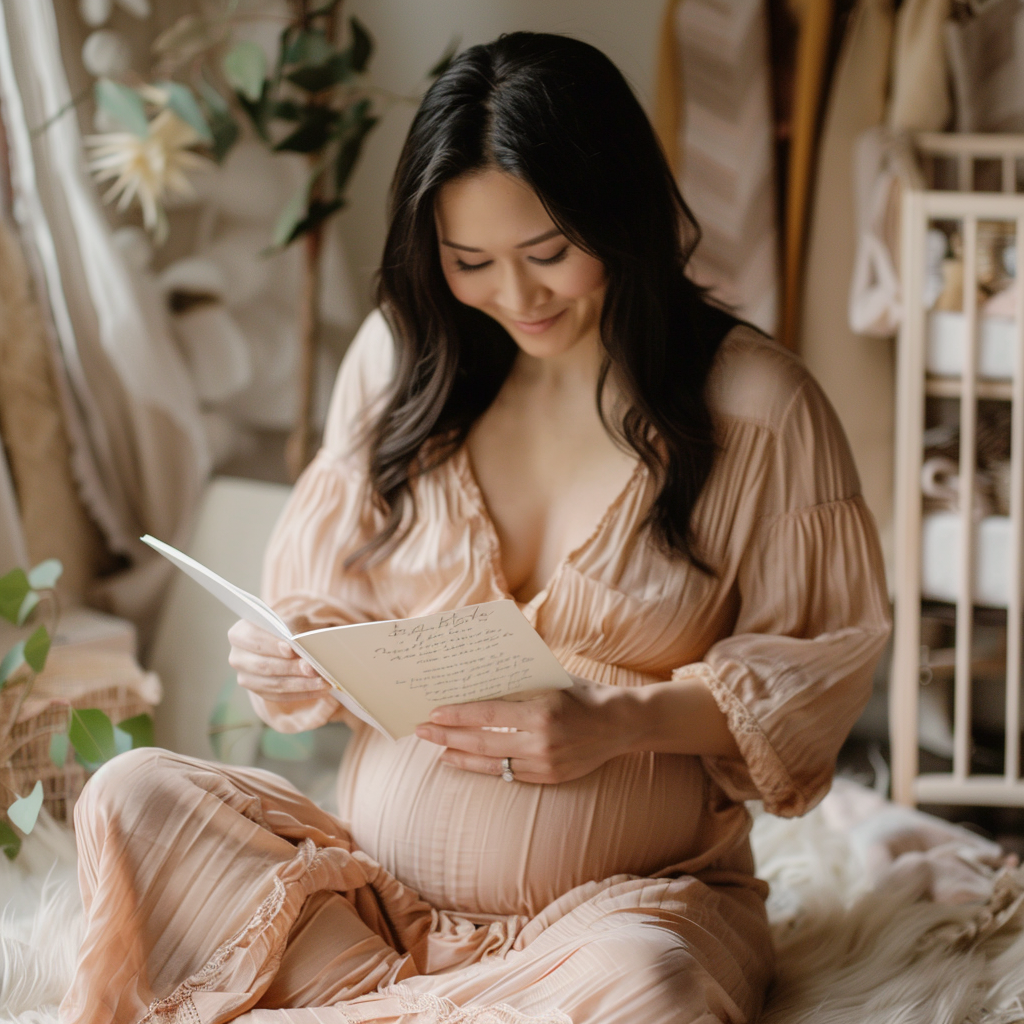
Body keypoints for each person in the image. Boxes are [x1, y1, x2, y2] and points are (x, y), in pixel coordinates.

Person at [62, 32, 891, 1024]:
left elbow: (818, 668)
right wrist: (294, 654)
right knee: (132, 794)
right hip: (375, 909)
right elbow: (324, 595)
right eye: (472, 261)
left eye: (549, 253)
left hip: (613, 921)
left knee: (648, 989)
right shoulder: (403, 361)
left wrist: (617, 723)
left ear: (618, 217)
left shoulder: (756, 405)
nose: (517, 295)